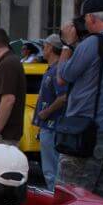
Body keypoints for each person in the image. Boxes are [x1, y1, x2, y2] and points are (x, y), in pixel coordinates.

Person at [56, 0, 103, 200]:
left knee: (73, 196)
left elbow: (62, 77)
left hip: (87, 132)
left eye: (84, 19)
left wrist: (68, 45)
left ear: (92, 19)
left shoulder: (92, 44)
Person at [33, 34, 68, 190]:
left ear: (52, 48)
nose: (43, 49)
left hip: (52, 126)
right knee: (51, 169)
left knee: (51, 171)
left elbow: (63, 97)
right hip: (48, 125)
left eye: (45, 46)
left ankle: (54, 200)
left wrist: (45, 113)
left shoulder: (56, 71)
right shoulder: (51, 69)